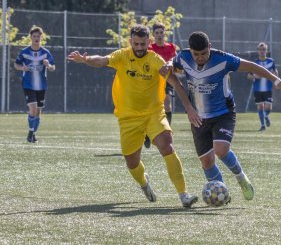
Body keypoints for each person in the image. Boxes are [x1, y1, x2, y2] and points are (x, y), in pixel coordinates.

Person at [67, 24, 199, 208]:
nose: (139, 48)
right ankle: (144, 183)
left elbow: (175, 84)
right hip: (128, 119)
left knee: (167, 146)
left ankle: (184, 195)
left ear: (149, 42)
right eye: (136, 44)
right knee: (132, 162)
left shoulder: (155, 59)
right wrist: (86, 59)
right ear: (130, 42)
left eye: (143, 44)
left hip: (154, 114)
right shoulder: (122, 56)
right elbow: (103, 60)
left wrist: (189, 108)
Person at [171, 31, 281, 203]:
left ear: (210, 47)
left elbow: (251, 66)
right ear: (190, 51)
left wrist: (276, 80)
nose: (200, 58)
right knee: (206, 162)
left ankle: (241, 178)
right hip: (198, 116)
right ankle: (222, 194)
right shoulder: (183, 57)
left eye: (204, 53)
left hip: (223, 113)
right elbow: (171, 65)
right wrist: (168, 65)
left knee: (221, 150)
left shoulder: (223, 59)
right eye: (196, 54)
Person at [14, 26, 55, 143]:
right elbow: (16, 65)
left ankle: (33, 132)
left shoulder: (46, 53)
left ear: (41, 37)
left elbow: (53, 68)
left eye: (38, 36)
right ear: (31, 37)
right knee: (32, 109)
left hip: (42, 86)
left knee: (38, 112)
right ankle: (30, 134)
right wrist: (23, 67)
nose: (36, 38)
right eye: (34, 36)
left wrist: (48, 65)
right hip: (28, 85)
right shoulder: (24, 52)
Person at [143, 22, 177, 148]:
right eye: (156, 33)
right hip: (152, 81)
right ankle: (147, 134)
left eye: (161, 32)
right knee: (150, 108)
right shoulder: (149, 48)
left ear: (164, 33)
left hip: (167, 80)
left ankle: (166, 132)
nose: (159, 35)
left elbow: (175, 61)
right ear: (153, 34)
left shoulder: (171, 47)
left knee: (167, 105)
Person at [247, 42, 278, 131]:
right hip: (257, 89)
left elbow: (275, 71)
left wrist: (276, 80)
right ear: (258, 51)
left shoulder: (271, 61)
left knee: (268, 107)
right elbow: (249, 75)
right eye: (260, 50)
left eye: (264, 49)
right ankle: (262, 125)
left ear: (266, 51)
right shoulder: (255, 63)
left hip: (268, 88)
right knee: (260, 107)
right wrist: (254, 76)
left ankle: (265, 116)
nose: (262, 51)